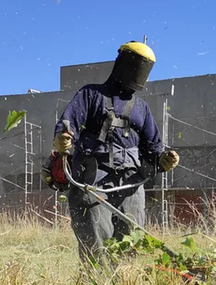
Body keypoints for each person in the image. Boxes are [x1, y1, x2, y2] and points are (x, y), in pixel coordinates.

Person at [50, 41, 179, 264]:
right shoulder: (91, 94)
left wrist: (164, 161)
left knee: (131, 242)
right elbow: (68, 124)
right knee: (96, 243)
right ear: (123, 63)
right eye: (137, 66)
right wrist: (63, 138)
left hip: (131, 184)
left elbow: (153, 150)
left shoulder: (142, 109)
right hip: (92, 181)